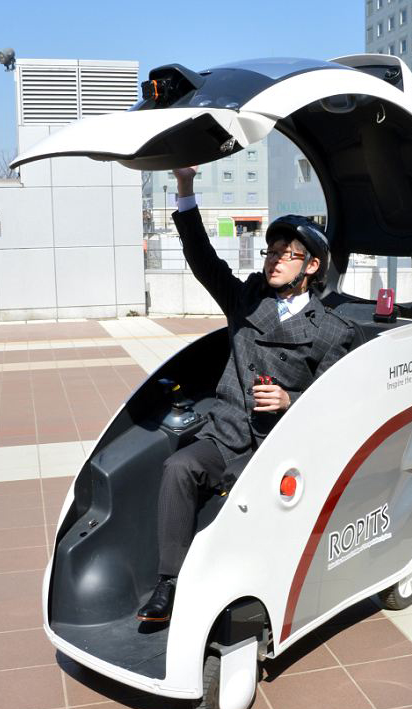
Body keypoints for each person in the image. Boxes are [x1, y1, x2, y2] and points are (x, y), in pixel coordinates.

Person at [137, 166, 354, 622]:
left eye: (287, 254)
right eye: (271, 252)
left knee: (249, 503)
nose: (274, 261)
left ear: (312, 266)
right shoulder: (246, 300)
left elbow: (337, 404)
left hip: (281, 448)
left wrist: (292, 402)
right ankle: (169, 582)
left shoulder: (333, 331)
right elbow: (202, 259)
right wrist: (185, 187)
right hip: (229, 433)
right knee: (179, 466)